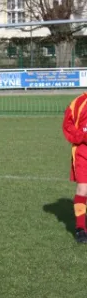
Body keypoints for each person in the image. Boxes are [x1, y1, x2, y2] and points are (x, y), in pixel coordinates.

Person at [62, 92, 87, 243]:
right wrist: (82, 136)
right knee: (83, 188)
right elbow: (67, 124)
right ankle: (80, 229)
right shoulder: (79, 103)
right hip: (83, 152)